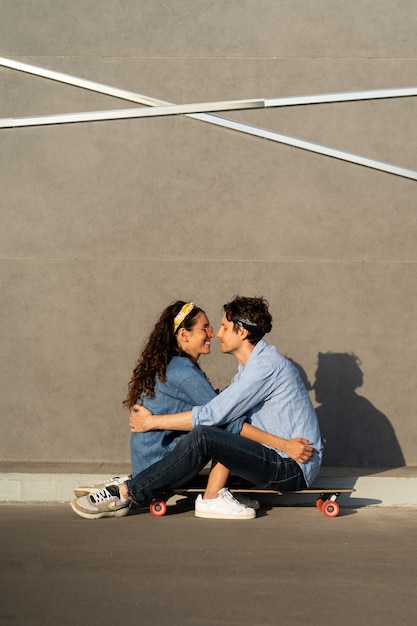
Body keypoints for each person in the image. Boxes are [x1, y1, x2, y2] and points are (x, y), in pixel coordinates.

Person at [71, 296, 322, 520]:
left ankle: (129, 491)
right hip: (279, 458)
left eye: (223, 327)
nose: (216, 334)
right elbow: (223, 414)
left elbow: (214, 415)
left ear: (242, 332)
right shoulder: (247, 371)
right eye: (210, 328)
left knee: (209, 432)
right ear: (184, 335)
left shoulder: (264, 368)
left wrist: (151, 422)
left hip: (290, 465)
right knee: (217, 429)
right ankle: (201, 494)